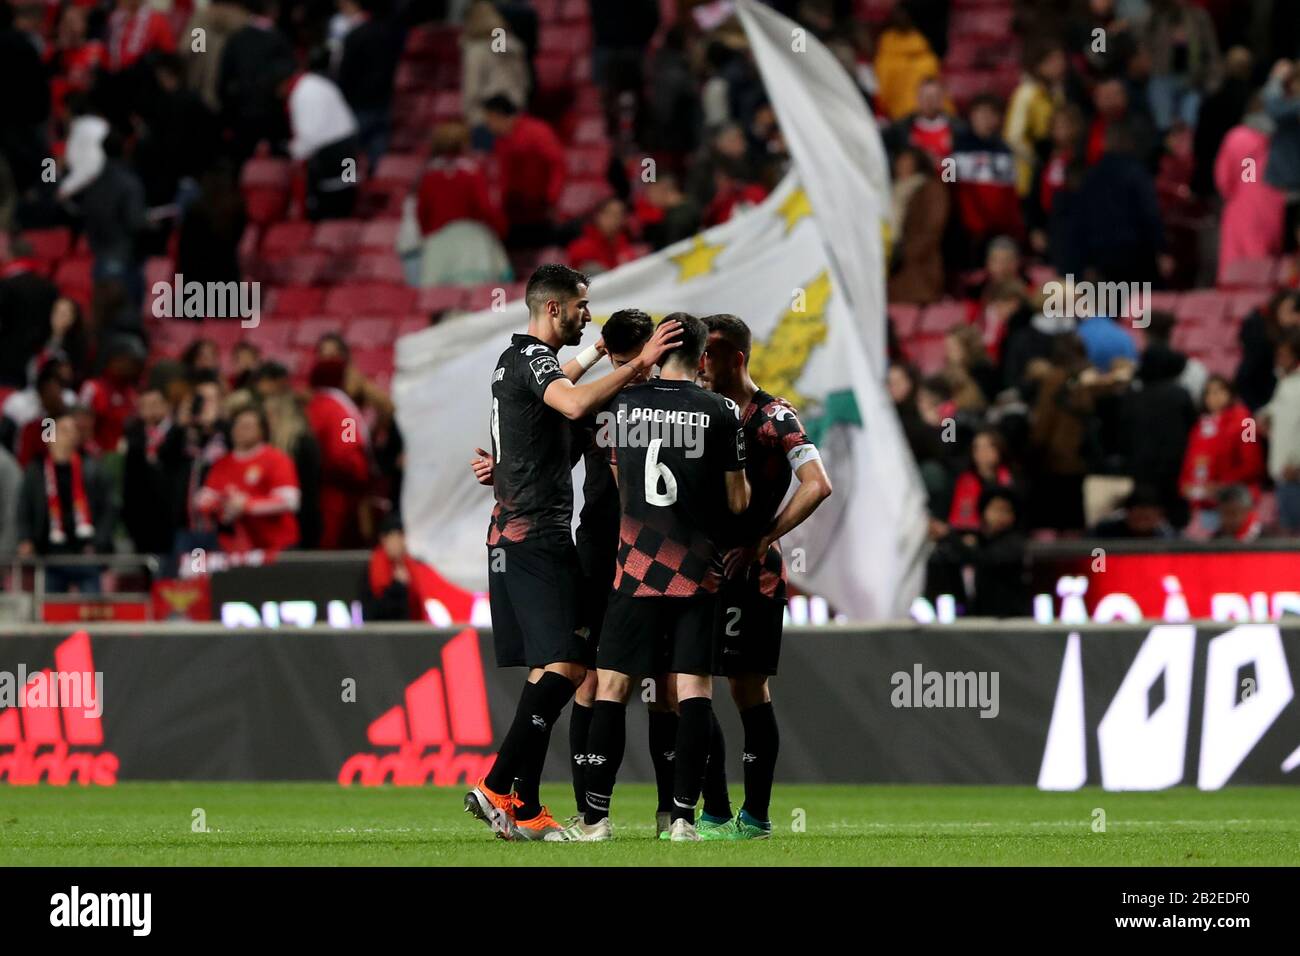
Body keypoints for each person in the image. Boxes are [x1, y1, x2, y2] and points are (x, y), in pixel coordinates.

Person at [463, 264, 682, 841]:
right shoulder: (535, 360)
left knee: (547, 669)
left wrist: (504, 468)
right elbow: (572, 401)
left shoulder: (517, 361)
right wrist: (636, 364)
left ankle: (525, 806)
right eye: (582, 305)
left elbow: (546, 420)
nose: (590, 314)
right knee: (568, 665)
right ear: (554, 308)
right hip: (534, 537)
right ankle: (495, 786)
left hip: (517, 534)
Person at [550, 313, 750, 843]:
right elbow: (736, 501)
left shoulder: (623, 405)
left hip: (635, 565)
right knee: (691, 689)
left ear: (658, 351)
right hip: (698, 569)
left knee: (610, 686)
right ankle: (682, 818)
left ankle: (595, 820)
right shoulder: (722, 410)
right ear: (704, 358)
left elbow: (618, 482)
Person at [693, 312, 832, 840]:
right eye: (699, 351)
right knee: (692, 685)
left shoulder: (776, 417)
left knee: (746, 690)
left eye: (713, 352)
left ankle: (754, 817)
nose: (702, 362)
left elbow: (817, 484)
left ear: (739, 358)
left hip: (751, 575)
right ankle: (713, 813)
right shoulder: (700, 410)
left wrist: (763, 541)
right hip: (697, 570)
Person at [15, 413, 116, 593]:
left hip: (86, 554)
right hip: (49, 555)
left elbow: (108, 508)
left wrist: (99, 542)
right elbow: (24, 509)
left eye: (73, 430)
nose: (70, 434)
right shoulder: (36, 470)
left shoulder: (91, 466)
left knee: (92, 613)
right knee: (49, 613)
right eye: (64, 430)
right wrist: (25, 539)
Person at [194, 404, 300, 554]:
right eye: (237, 425)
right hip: (235, 547)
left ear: (261, 431)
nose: (240, 430)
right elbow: (203, 499)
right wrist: (225, 504)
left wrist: (247, 505)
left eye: (248, 426)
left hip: (276, 544)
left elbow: (290, 500)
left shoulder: (277, 459)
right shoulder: (221, 463)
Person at [483, 95, 565, 248]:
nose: (488, 126)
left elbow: (557, 165)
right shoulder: (500, 140)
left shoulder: (537, 132)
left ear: (497, 116)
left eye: (489, 121)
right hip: (514, 213)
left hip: (539, 211)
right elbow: (504, 177)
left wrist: (551, 198)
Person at [1179, 375, 1264, 523]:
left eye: (1219, 391)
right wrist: (1185, 483)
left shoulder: (1246, 422)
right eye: (1209, 393)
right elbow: (1191, 461)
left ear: (1230, 393)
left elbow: (1253, 464)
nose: (1214, 397)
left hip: (1236, 502)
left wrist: (1223, 485)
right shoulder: (1200, 426)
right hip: (1203, 503)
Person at [280, 68, 360, 221]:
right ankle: (348, 219)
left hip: (332, 151)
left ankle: (335, 225)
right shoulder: (315, 83)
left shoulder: (301, 95)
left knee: (335, 194)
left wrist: (293, 151)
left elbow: (308, 138)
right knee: (348, 185)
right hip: (349, 142)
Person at [1259, 330, 1300, 532]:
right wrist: (1264, 416)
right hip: (1283, 475)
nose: (1279, 359)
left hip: (1295, 473)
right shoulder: (1285, 383)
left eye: (1284, 354)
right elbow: (1273, 410)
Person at [565, 197, 635, 275]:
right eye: (609, 213)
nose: (614, 219)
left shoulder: (625, 246)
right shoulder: (581, 247)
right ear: (598, 216)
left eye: (619, 215)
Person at [1091, 484, 1176, 539]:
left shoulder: (1168, 538)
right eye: (1138, 518)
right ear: (1127, 513)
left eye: (1146, 518)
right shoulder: (1103, 533)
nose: (1142, 524)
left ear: (1159, 516)